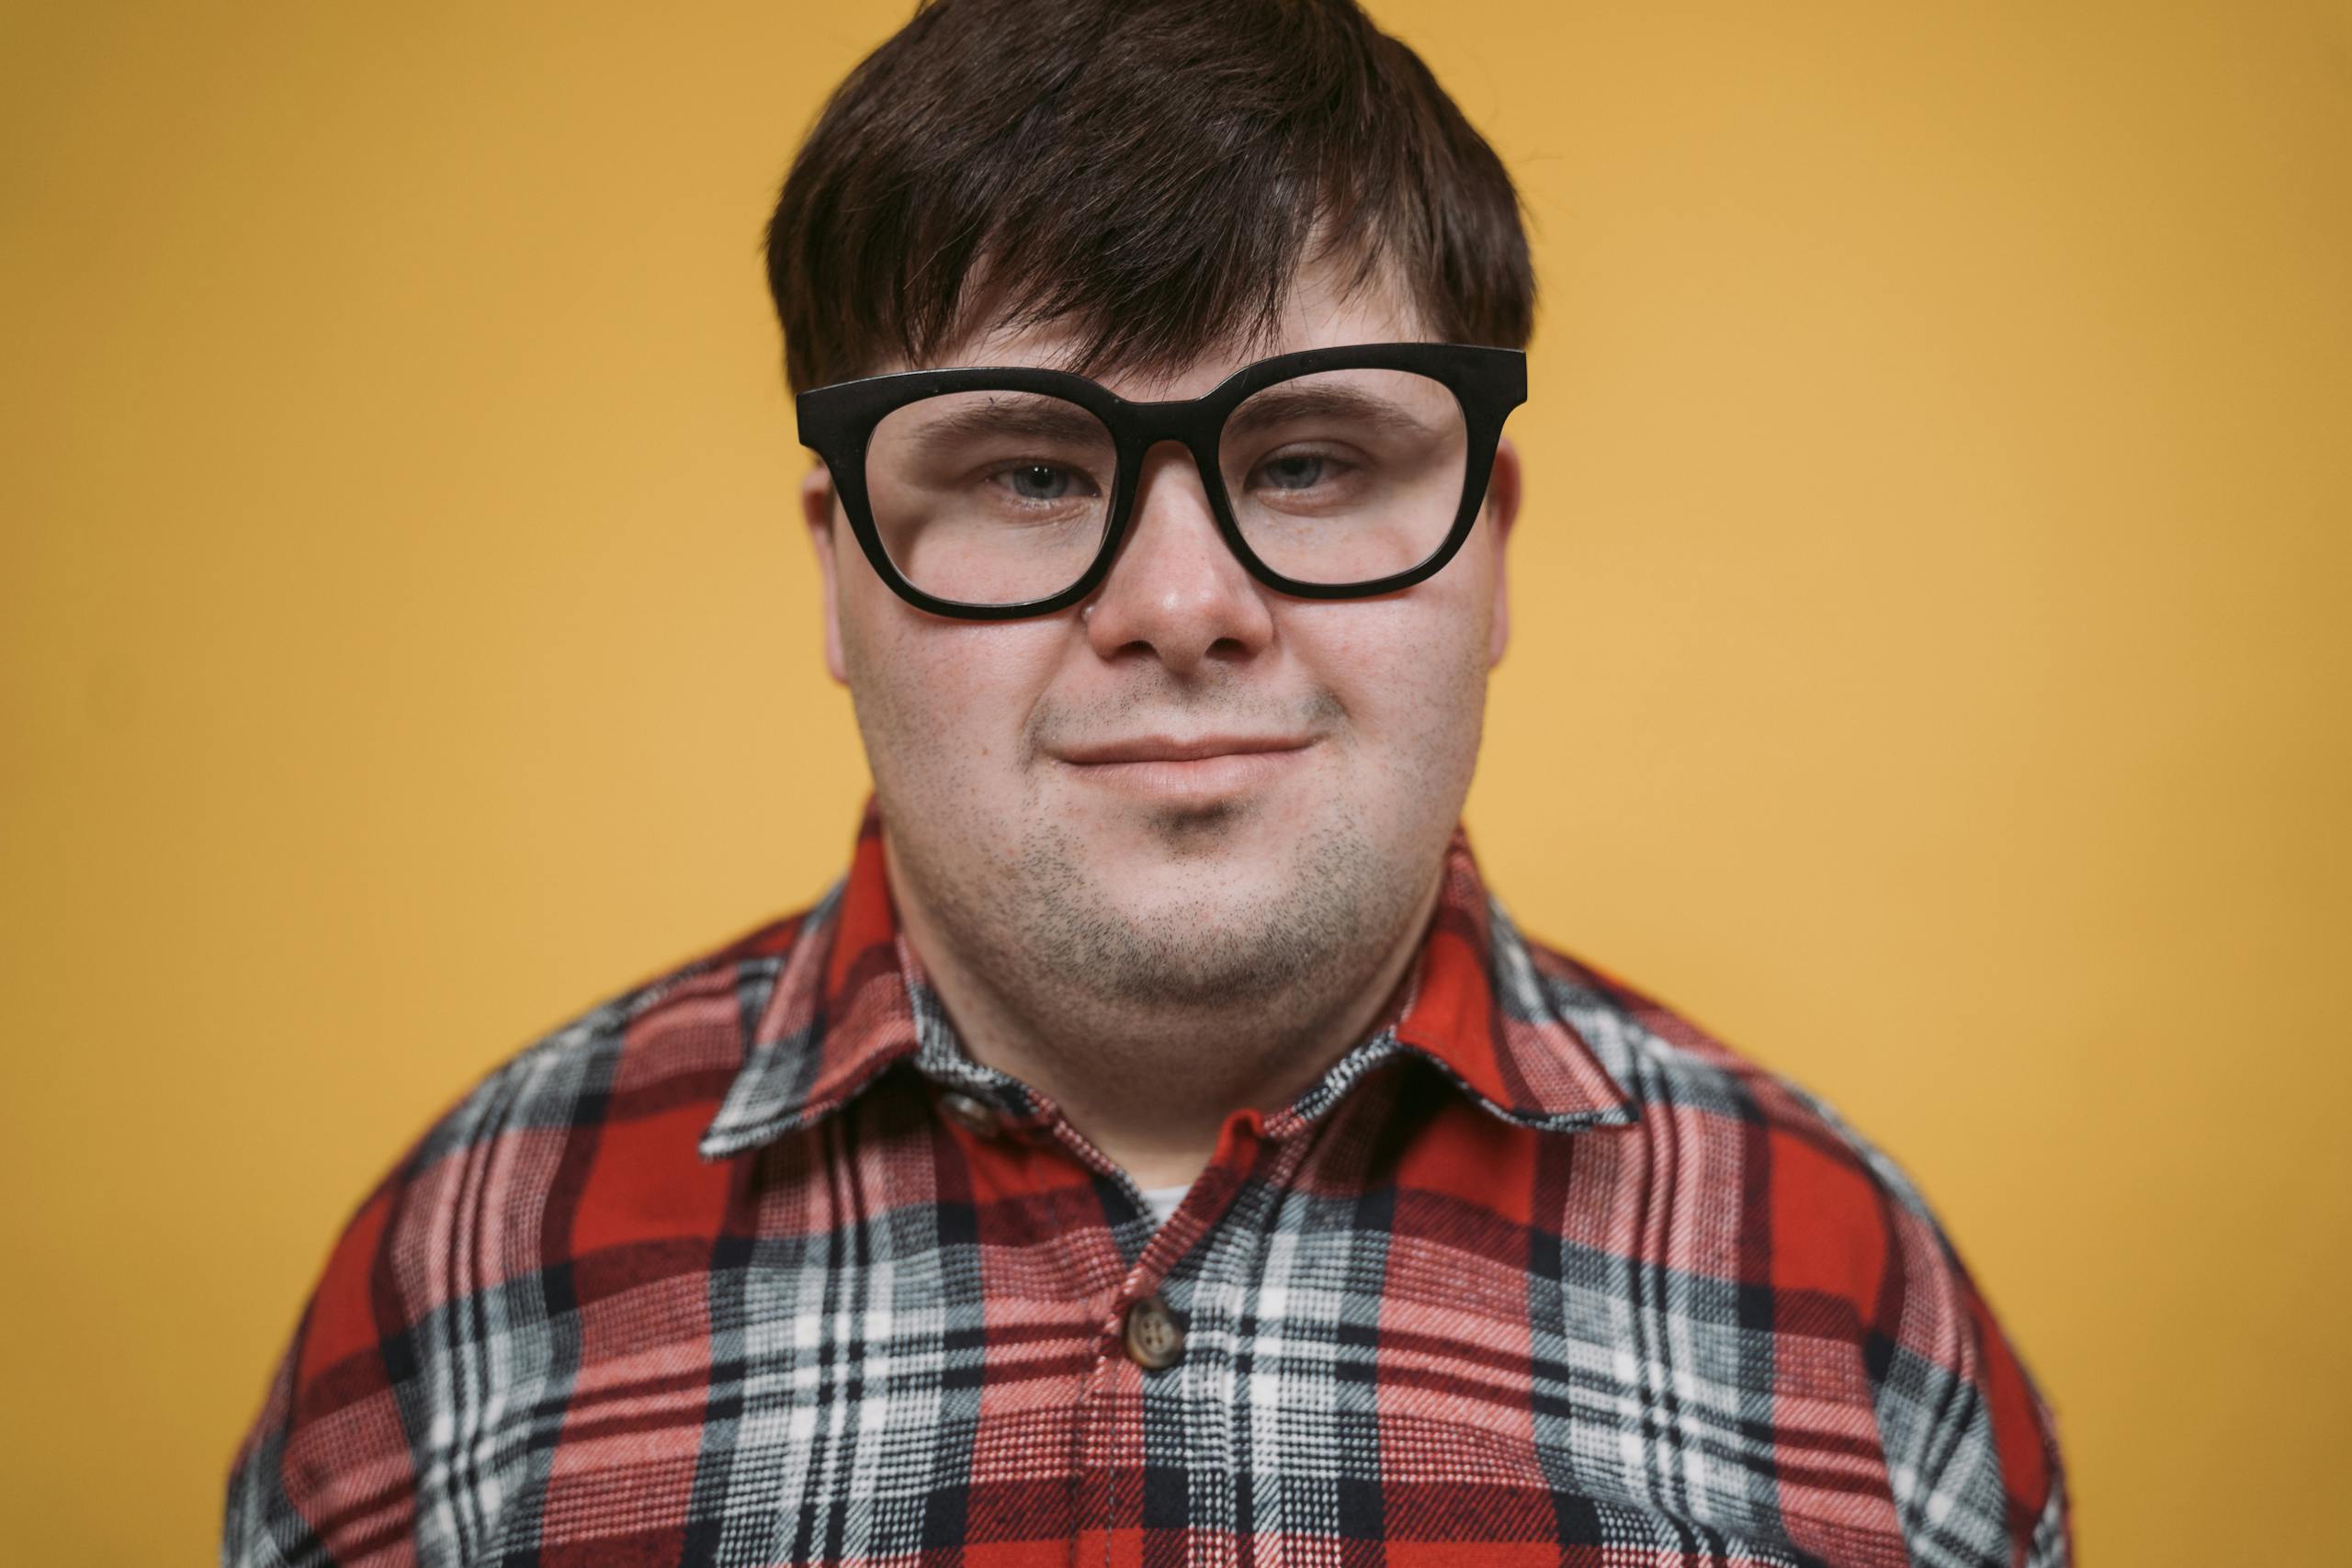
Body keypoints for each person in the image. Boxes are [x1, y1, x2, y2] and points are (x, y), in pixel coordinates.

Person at [222, 1, 2070, 1563]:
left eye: (1310, 461)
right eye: (1030, 474)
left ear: (1491, 549)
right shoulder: (455, 1282)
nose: (1181, 607)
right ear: (838, 571)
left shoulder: (1852, 1303)